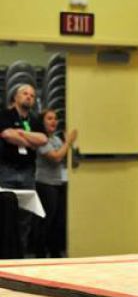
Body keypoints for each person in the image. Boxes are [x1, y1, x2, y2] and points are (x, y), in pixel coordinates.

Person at [0, 84, 48, 256]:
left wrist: (20, 133)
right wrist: (30, 141)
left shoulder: (35, 120)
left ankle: (21, 255)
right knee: (4, 214)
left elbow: (43, 139)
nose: (29, 97)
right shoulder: (5, 114)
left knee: (25, 217)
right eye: (25, 94)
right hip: (6, 170)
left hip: (27, 172)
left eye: (32, 95)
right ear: (15, 97)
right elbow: (6, 134)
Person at [34, 109, 77, 258]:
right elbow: (56, 157)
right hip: (45, 183)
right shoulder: (41, 140)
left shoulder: (57, 140)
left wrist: (66, 143)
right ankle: (40, 253)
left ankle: (55, 252)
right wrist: (69, 142)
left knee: (57, 222)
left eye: (55, 118)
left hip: (58, 183)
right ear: (42, 122)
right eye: (49, 118)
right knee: (47, 220)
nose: (54, 121)